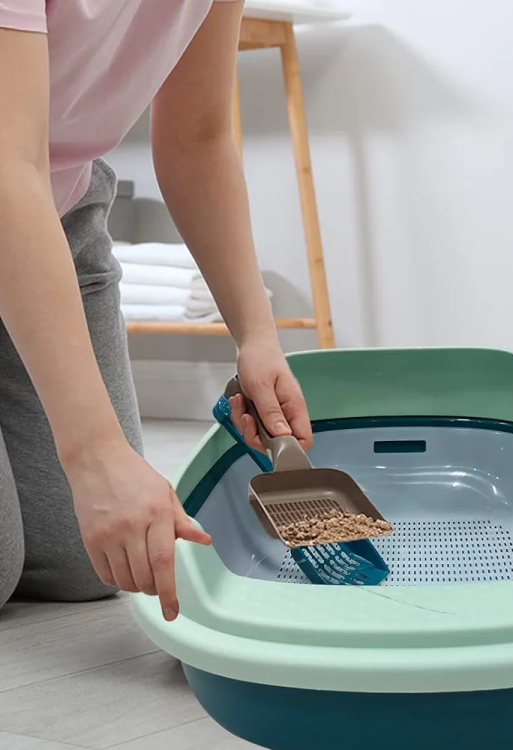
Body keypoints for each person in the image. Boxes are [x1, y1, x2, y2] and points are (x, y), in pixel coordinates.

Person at [0, 1, 313, 623]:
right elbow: (7, 163)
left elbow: (199, 137)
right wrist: (93, 453)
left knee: (85, 565)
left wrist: (257, 337)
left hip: (59, 223)